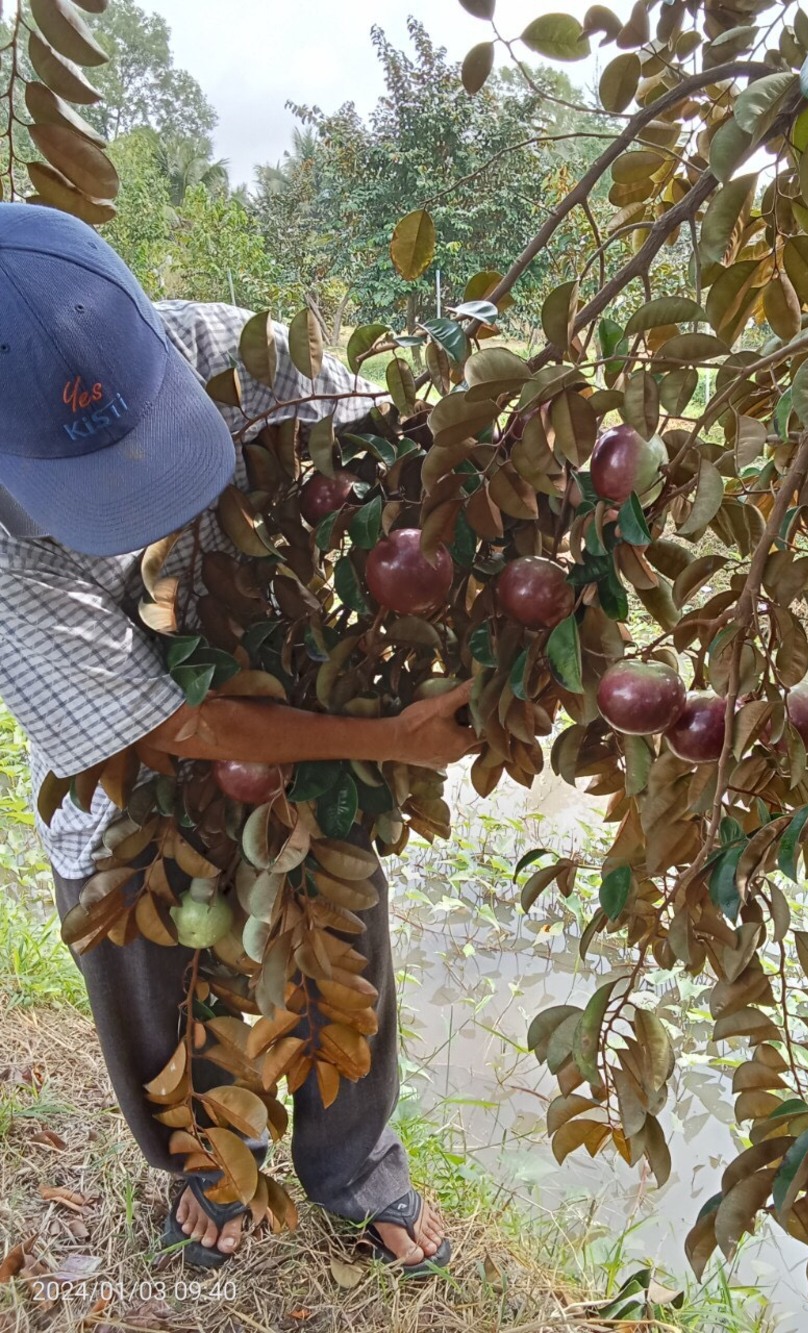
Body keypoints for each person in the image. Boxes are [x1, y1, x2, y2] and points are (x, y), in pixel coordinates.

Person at [0, 203, 477, 1275]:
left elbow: (384, 434)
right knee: (141, 960)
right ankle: (209, 1167)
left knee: (338, 919)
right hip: (120, 742)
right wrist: (387, 736)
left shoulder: (221, 348)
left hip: (279, 677)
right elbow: (170, 723)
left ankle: (357, 1169)